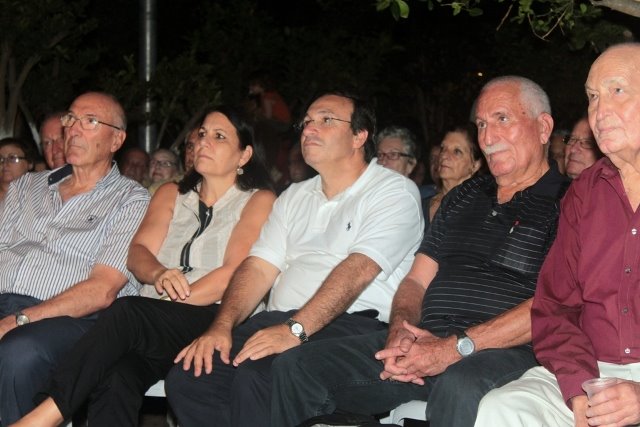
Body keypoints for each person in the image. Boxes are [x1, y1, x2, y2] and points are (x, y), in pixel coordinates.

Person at [270, 76, 569, 427]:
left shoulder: (571, 203)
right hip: (427, 340)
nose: (488, 137)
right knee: (298, 366)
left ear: (543, 127)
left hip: (505, 350)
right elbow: (415, 281)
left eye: (502, 119)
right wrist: (401, 330)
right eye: (481, 124)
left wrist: (454, 348)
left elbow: (553, 305)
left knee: (460, 385)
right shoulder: (462, 198)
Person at [163, 90, 424, 426]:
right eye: (307, 122)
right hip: (280, 320)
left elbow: (359, 269)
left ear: (359, 136)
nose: (309, 129)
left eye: (326, 120)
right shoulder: (294, 196)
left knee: (258, 376)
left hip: (352, 326)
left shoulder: (392, 191)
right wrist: (221, 327)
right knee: (192, 376)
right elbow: (258, 268)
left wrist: (295, 330)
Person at [11, 106, 276, 426]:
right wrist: (158, 274)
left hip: (215, 316)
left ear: (244, 155)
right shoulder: (171, 193)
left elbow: (232, 273)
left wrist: (164, 303)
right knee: (116, 376)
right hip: (154, 320)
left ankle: (44, 416)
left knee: (126, 311)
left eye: (219, 137)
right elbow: (138, 254)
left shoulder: (258, 199)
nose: (204, 142)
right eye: (202, 134)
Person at [474, 42, 640, 427]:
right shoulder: (585, 193)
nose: (599, 110)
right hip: (593, 368)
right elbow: (555, 307)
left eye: (617, 90)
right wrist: (578, 385)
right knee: (504, 408)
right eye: (593, 96)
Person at [0, 91, 150, 424]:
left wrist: (18, 319)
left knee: (18, 351)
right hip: (6, 304)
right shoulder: (26, 187)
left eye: (90, 121)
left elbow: (103, 290)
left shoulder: (131, 199)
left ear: (117, 140)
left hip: (74, 318)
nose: (74, 129)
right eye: (71, 119)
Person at [424, 125, 483, 224]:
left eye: (457, 151)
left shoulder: (483, 210)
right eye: (443, 148)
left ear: (475, 165)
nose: (444, 155)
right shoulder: (421, 205)